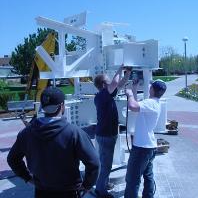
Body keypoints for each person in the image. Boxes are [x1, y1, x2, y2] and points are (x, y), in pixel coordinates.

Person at [7, 87, 100, 198]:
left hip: (41, 191)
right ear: (62, 106)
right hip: (69, 192)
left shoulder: (26, 133)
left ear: (42, 107)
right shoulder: (75, 133)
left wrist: (27, 178)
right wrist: (87, 185)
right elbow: (94, 163)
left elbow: (12, 159)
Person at [94, 65, 132, 198]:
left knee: (104, 163)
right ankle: (101, 191)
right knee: (106, 165)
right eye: (108, 81)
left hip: (106, 134)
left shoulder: (106, 94)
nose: (111, 82)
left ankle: (103, 183)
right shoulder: (102, 95)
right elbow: (115, 82)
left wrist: (128, 73)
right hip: (106, 135)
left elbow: (119, 84)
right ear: (104, 85)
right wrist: (120, 68)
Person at [124, 79, 167, 198]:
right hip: (149, 147)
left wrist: (130, 94)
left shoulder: (151, 103)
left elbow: (133, 106)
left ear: (152, 89)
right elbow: (138, 105)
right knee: (148, 176)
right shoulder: (154, 103)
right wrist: (135, 87)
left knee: (132, 178)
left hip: (141, 149)